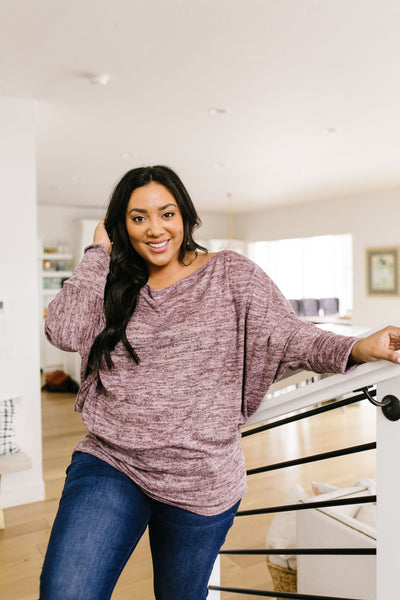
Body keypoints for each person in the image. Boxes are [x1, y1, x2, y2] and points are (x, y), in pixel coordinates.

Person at [39, 165, 400, 600]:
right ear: (121, 226)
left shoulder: (231, 274)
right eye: (138, 218)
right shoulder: (111, 281)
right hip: (113, 462)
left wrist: (360, 346)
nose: (155, 229)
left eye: (166, 213)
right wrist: (97, 253)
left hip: (201, 480)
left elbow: (289, 335)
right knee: (66, 591)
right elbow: (63, 330)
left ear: (185, 217)